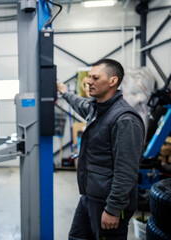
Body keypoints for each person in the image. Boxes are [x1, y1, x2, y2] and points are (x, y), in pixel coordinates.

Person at [57, 59, 145, 240]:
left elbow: (126, 170)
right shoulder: (97, 109)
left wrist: (113, 209)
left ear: (113, 81)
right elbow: (80, 104)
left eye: (95, 77)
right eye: (89, 77)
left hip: (108, 203)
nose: (88, 81)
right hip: (90, 196)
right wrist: (65, 92)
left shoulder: (124, 120)